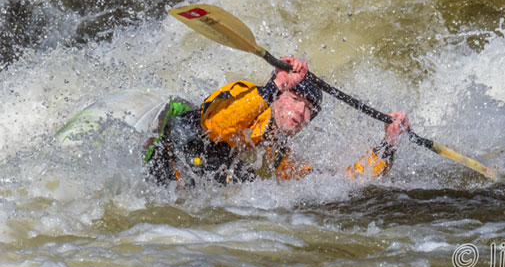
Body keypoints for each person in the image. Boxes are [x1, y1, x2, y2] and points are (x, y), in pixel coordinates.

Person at [143, 56, 411, 186]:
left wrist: (388, 145)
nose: (301, 112)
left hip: (199, 176)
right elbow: (215, 124)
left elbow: (337, 182)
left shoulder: (275, 149)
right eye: (294, 99)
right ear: (279, 97)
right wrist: (275, 86)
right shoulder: (247, 92)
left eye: (309, 109)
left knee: (255, 184)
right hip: (173, 151)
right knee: (241, 176)